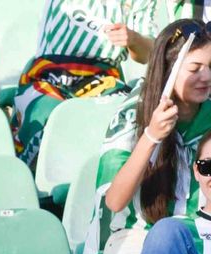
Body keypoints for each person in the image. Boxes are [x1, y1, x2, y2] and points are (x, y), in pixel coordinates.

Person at [85, 20, 211, 254]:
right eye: (195, 68)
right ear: (168, 70)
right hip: (137, 238)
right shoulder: (134, 113)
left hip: (200, 237)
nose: (206, 77)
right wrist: (151, 137)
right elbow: (114, 201)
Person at [11, 0, 154, 164]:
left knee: (126, 118)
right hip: (48, 74)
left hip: (104, 79)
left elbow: (148, 53)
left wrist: (133, 39)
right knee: (42, 111)